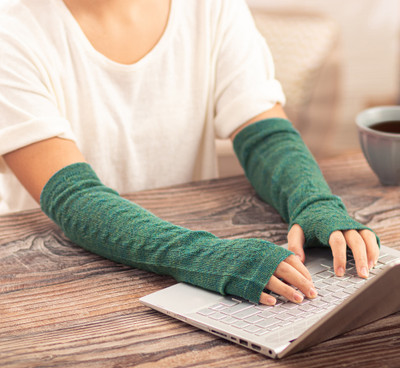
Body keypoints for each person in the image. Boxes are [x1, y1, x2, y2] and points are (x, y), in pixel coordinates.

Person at [0, 0, 379, 306]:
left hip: (184, 260)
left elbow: (264, 135)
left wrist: (313, 201)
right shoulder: (12, 30)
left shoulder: (211, 8)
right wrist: (207, 257)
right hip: (53, 278)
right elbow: (73, 196)